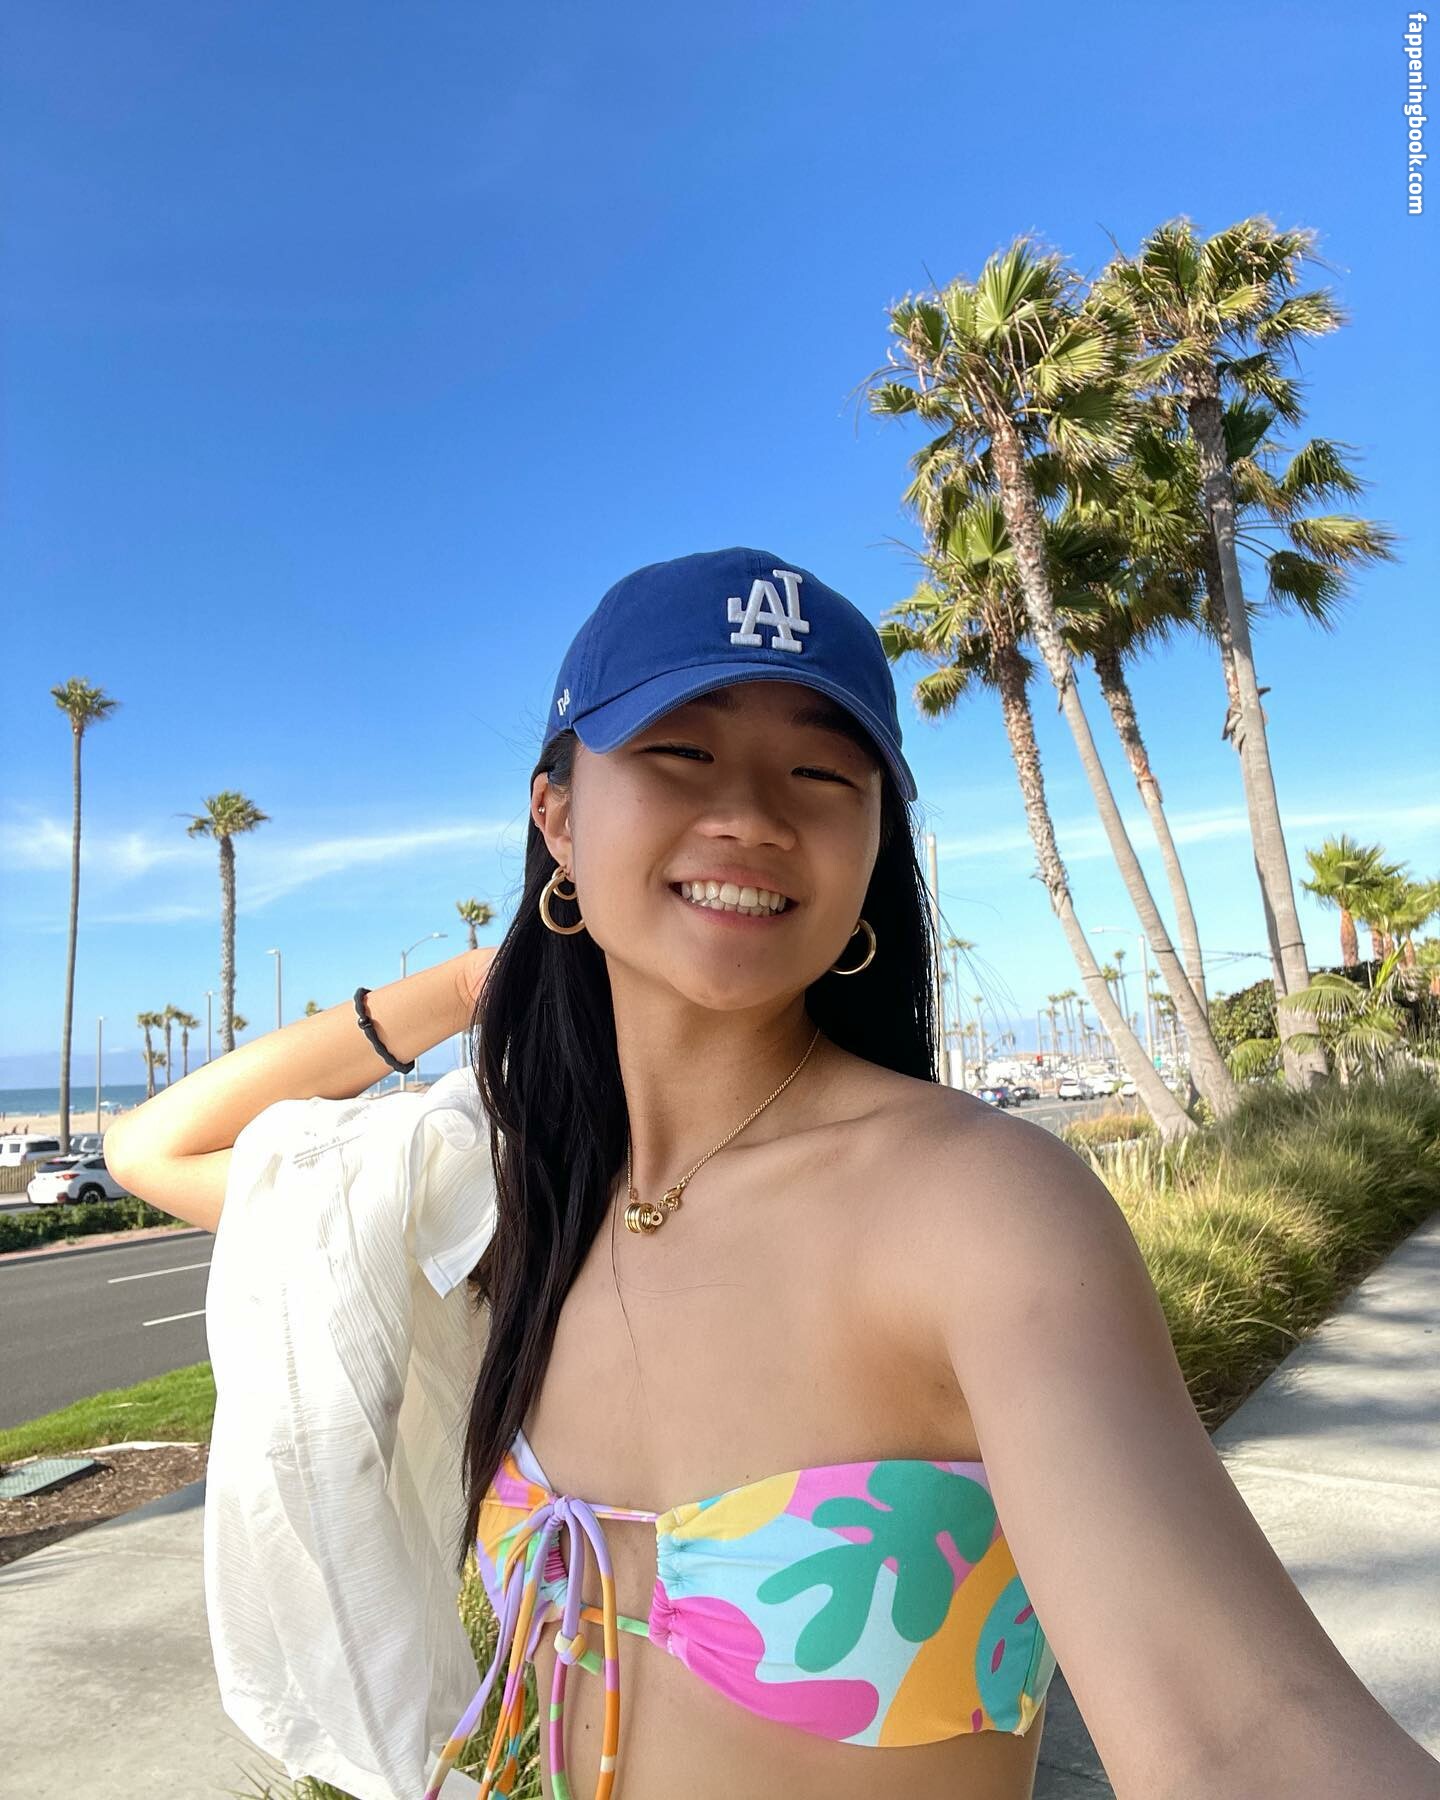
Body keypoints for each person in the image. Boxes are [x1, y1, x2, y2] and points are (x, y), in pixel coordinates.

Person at [105, 547, 1440, 1800]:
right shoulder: (509, 1203)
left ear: (873, 846)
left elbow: (1237, 1730)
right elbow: (156, 1149)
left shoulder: (976, 1209)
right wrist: (471, 983)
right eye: (680, 753)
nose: (749, 814)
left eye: (820, 773)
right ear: (555, 813)